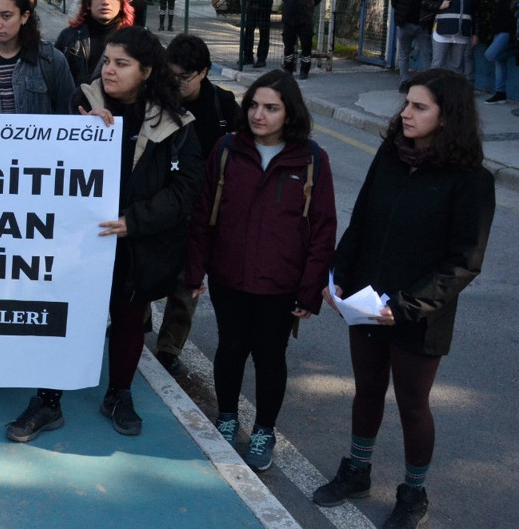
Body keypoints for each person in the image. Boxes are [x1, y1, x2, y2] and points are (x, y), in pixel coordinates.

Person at [313, 69, 494, 529]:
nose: (406, 114)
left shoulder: (472, 180)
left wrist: (407, 307)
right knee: (367, 390)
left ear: (447, 117)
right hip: (367, 302)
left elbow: (463, 263)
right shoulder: (390, 155)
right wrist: (338, 276)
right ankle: (356, 469)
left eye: (419, 107)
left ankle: (413, 493)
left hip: (419, 315)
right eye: (406, 104)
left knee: (413, 405)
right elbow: (363, 221)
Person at [7, 25, 202, 442]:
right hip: (79, 242)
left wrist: (134, 221)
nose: (108, 71)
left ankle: (119, 393)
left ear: (147, 71)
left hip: (135, 243)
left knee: (130, 316)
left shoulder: (175, 124)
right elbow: (46, 164)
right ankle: (48, 400)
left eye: (121, 64)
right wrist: (80, 136)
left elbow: (185, 192)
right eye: (107, 61)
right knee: (67, 317)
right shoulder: (82, 104)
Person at [186, 70, 337, 472]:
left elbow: (323, 230)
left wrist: (309, 290)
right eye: (254, 105)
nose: (258, 114)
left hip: (279, 283)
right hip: (228, 276)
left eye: (271, 108)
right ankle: (227, 417)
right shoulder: (226, 149)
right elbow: (203, 214)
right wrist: (195, 269)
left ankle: (264, 430)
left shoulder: (311, 160)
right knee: (231, 348)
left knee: (271, 357)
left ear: (290, 113)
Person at [153, 34, 240, 375]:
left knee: (188, 281)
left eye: (183, 79)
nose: (176, 84)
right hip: (162, 198)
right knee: (144, 270)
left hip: (203, 206)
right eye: (170, 75)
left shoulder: (222, 104)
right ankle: (136, 323)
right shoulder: (158, 98)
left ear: (203, 73)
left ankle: (170, 346)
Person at [54, 0, 135, 84]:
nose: (106, 2)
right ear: (88, 3)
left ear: (122, 4)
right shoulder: (68, 38)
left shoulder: (134, 41)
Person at [424, 0, 479, 77]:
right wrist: (439, 5)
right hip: (442, 31)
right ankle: (433, 92)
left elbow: (476, 12)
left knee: (457, 67)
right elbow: (426, 2)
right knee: (438, 65)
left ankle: (454, 94)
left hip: (462, 33)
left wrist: (475, 33)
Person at [389, 0, 433, 89]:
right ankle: (404, 81)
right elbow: (394, 1)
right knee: (404, 53)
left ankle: (427, 84)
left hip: (423, 26)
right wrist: (401, 17)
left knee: (426, 54)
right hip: (405, 24)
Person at [280, 0, 323, 79]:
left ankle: (304, 71)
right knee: (288, 45)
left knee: (306, 45)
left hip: (305, 19)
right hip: (289, 18)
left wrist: (308, 6)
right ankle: (288, 69)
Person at [482, 0, 519, 104]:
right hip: (499, 28)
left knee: (491, 54)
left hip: (510, 31)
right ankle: (500, 93)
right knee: (499, 60)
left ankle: (516, 50)